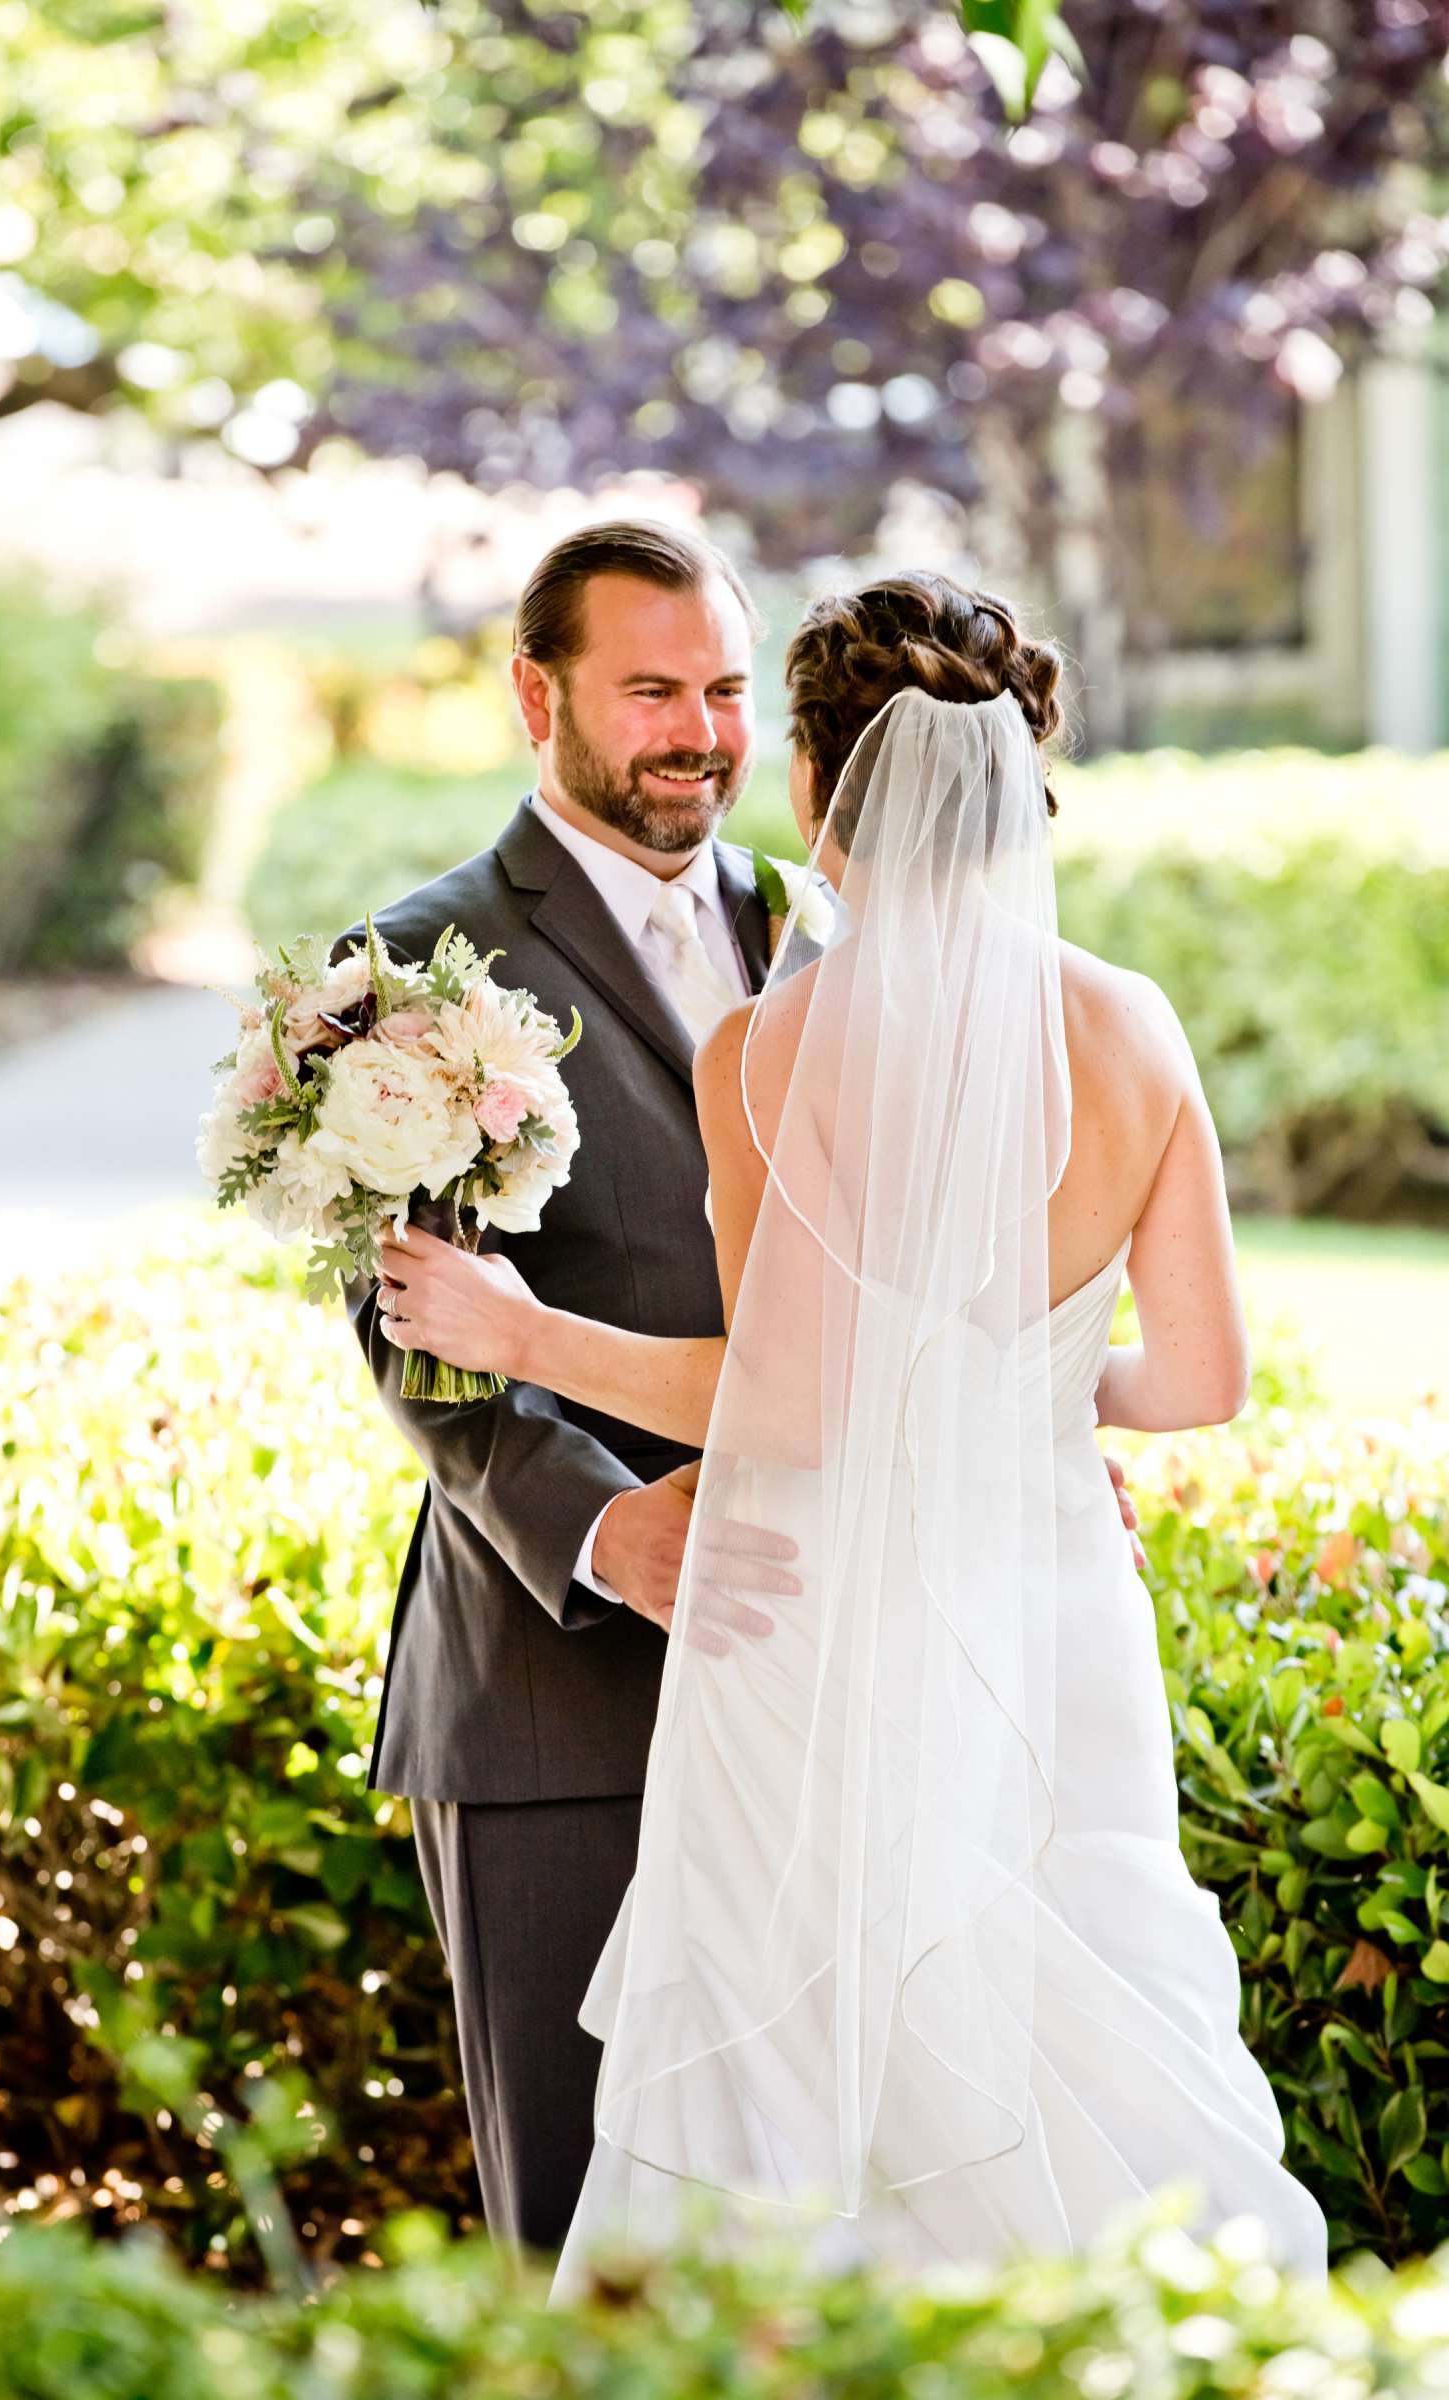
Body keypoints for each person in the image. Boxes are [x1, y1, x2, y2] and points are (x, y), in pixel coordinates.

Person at [374, 570, 1328, 2289]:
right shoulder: (1134, 1024)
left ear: (821, 788)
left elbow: (789, 1407)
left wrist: (519, 1332)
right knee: (1080, 2023)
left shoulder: (775, 1044)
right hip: (1050, 1616)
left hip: (828, 1640)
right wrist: (1006, 1405)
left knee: (810, 2083)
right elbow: (1197, 1383)